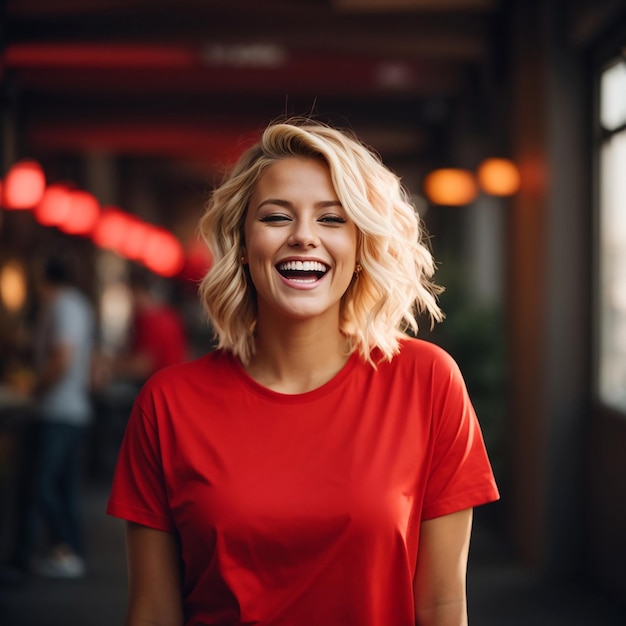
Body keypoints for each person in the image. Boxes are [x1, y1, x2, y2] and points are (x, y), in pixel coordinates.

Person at [107, 118, 500, 626]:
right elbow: (153, 612)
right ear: (243, 246)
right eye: (276, 217)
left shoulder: (428, 381)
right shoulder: (168, 402)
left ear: (361, 247)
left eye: (332, 219)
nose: (303, 237)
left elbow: (443, 604)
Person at [12, 256, 95, 578]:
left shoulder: (64, 307)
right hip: (68, 409)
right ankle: (68, 551)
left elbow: (62, 358)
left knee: (42, 485)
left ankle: (65, 547)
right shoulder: (76, 305)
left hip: (58, 410)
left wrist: (34, 386)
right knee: (61, 487)